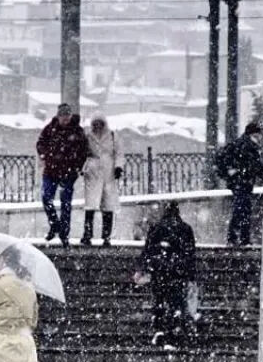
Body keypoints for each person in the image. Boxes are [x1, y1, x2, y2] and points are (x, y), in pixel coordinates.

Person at [135, 202, 197, 347]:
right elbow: (190, 253)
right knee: (177, 302)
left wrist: (143, 268)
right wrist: (191, 275)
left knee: (160, 300)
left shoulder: (157, 228)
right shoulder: (186, 229)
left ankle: (160, 329)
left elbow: (148, 250)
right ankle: (175, 329)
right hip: (178, 272)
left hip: (160, 271)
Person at [36, 104, 89, 248]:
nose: (65, 119)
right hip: (51, 171)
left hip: (69, 172)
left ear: (70, 116)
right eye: (63, 116)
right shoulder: (50, 128)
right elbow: (40, 143)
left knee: (66, 204)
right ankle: (55, 225)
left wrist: (77, 167)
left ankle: (64, 234)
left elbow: (84, 150)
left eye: (67, 116)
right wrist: (46, 155)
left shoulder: (77, 131)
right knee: (46, 197)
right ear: (58, 116)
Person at [215, 120, 263, 246]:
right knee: (242, 210)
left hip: (240, 182)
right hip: (242, 182)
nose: (260, 138)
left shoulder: (241, 144)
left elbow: (254, 165)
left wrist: (229, 173)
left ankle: (237, 239)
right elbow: (256, 165)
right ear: (253, 134)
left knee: (242, 210)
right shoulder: (247, 145)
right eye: (258, 135)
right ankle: (238, 239)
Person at [81, 115, 124, 247]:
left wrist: (118, 167)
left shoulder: (112, 135)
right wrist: (83, 167)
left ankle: (106, 236)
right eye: (95, 124)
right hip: (93, 172)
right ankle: (87, 235)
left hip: (108, 172)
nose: (98, 127)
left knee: (108, 205)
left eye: (100, 124)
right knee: (90, 205)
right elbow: (82, 152)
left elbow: (119, 152)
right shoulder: (88, 136)